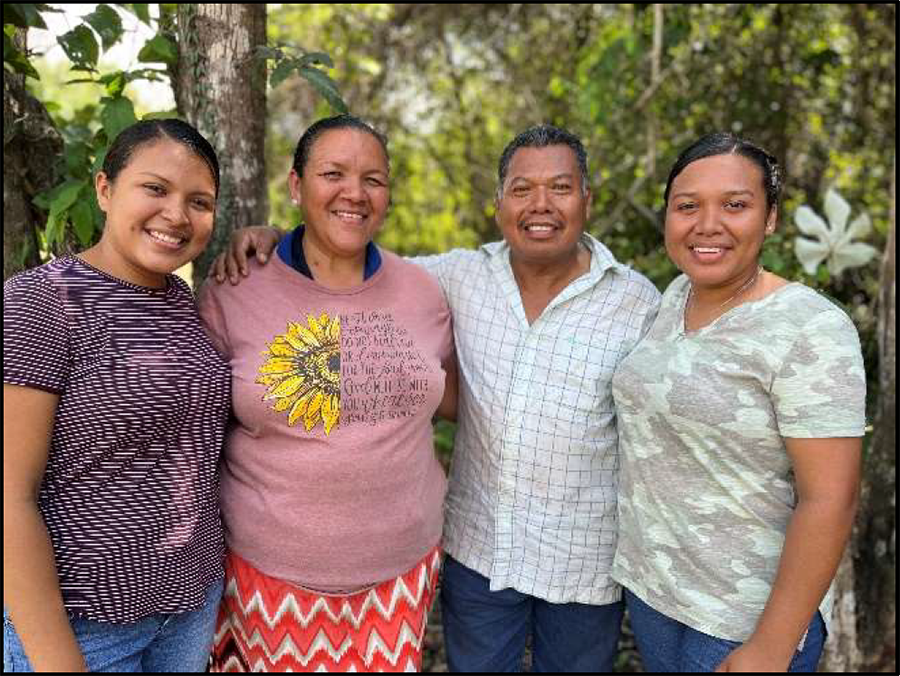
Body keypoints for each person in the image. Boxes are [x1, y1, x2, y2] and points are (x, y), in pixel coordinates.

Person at [212, 124, 662, 672]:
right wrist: (276, 236)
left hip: (575, 560)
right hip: (472, 555)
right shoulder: (453, 277)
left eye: (560, 188)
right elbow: (337, 253)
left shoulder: (635, 302)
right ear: (498, 203)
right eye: (522, 189)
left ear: (587, 200)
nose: (540, 204)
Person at [197, 115, 457, 672]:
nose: (354, 193)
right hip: (262, 579)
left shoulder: (424, 290)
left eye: (373, 179)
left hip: (400, 579)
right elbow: (199, 431)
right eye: (333, 174)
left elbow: (453, 398)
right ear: (296, 186)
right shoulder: (235, 288)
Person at [610, 133, 866, 672]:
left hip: (742, 618)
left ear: (770, 218)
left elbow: (830, 499)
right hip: (655, 592)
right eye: (687, 206)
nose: (708, 225)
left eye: (735, 205)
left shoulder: (810, 328)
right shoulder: (673, 298)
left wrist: (772, 645)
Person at [4, 119, 229, 672]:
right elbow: (9, 498)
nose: (176, 214)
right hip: (82, 628)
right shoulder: (42, 302)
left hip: (189, 608)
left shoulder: (182, 299)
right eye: (155, 188)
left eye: (198, 201)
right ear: (105, 189)